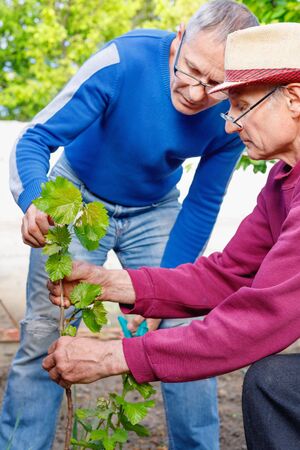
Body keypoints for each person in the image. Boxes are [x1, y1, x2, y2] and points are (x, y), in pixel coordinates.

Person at [2, 2, 258, 449]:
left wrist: (168, 289)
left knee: (184, 336)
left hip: (155, 208)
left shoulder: (234, 110)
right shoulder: (123, 61)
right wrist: (35, 202)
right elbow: (36, 139)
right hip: (76, 195)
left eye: (216, 84)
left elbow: (203, 202)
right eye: (191, 70)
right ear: (178, 38)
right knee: (44, 335)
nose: (197, 93)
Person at [45, 22, 300, 450]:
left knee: (273, 384)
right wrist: (108, 282)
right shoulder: (282, 182)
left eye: (240, 106)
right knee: (275, 384)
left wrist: (113, 356)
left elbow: (262, 318)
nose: (230, 126)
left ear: (293, 98)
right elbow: (225, 275)